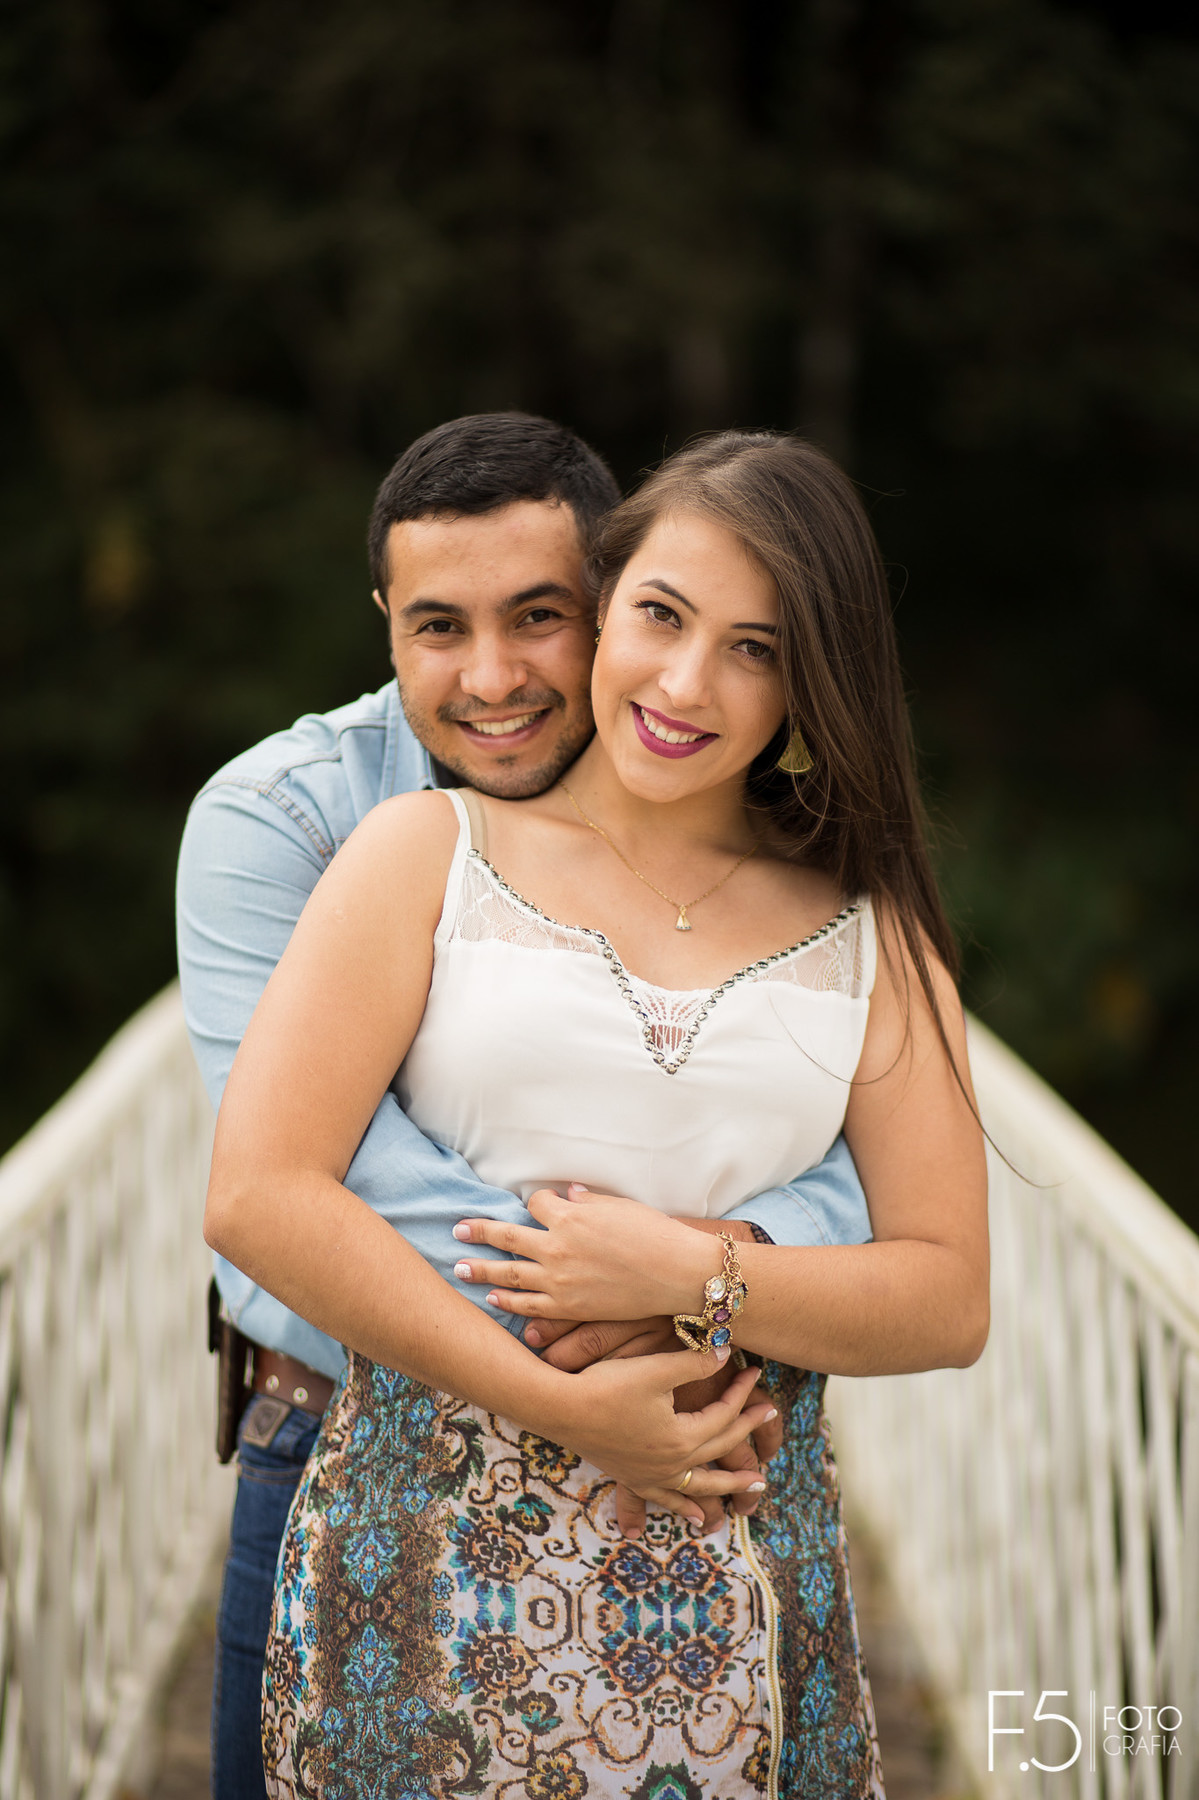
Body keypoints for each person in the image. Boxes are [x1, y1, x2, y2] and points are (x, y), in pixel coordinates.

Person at [204, 430, 989, 1796]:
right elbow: (261, 1192)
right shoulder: (419, 853)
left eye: (756, 648)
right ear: (610, 605)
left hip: (735, 1584)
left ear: (815, 680)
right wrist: (574, 1409)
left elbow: (947, 1296)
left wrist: (689, 1274)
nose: (686, 684)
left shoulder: (876, 936)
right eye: (663, 617)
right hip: (422, 1565)